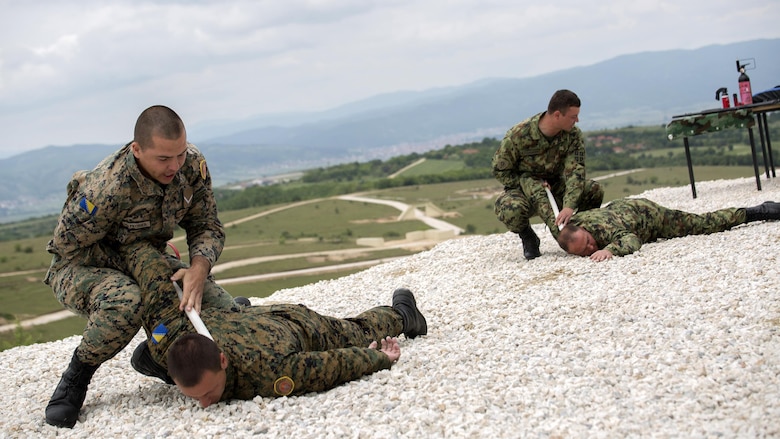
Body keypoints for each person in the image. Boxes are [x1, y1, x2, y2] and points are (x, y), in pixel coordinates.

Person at [43, 105, 239, 428]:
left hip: (148, 258)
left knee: (216, 306)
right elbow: (67, 247)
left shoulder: (191, 166)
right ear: (137, 150)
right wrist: (142, 271)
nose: (174, 166)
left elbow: (207, 226)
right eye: (163, 159)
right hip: (84, 266)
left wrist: (199, 268)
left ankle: (155, 356)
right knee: (129, 301)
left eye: (179, 154)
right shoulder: (106, 188)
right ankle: (77, 374)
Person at [122, 241, 426, 406]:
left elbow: (329, 365)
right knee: (148, 350)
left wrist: (378, 358)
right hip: (234, 321)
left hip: (293, 325)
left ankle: (404, 314)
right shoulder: (167, 339)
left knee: (357, 331)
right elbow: (148, 268)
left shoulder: (268, 369)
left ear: (223, 361)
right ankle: (238, 309)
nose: (203, 405)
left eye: (207, 393)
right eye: (196, 396)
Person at [493, 89, 604, 260]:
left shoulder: (573, 135)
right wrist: (527, 182)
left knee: (593, 190)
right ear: (558, 115)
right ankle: (528, 238)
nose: (577, 121)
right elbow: (500, 171)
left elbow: (575, 171)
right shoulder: (519, 135)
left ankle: (583, 233)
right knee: (510, 209)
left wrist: (568, 206)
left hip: (557, 187)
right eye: (573, 117)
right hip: (524, 192)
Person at [557, 198, 780, 262]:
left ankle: (757, 211)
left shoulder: (604, 230)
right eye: (584, 251)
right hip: (627, 207)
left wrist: (611, 251)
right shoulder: (572, 224)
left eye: (588, 241)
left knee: (702, 224)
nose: (591, 247)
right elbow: (557, 227)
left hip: (651, 217)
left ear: (584, 230)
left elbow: (631, 240)